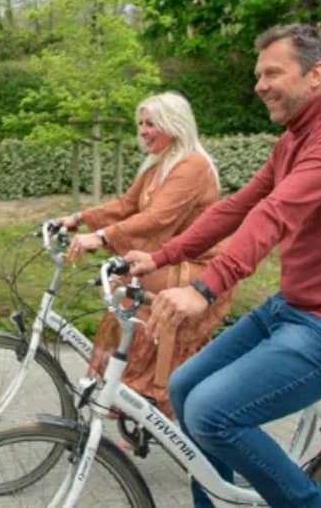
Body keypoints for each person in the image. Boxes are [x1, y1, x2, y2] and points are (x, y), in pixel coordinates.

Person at [126, 24, 321, 508]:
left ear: (315, 74)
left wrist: (205, 288)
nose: (259, 85)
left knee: (212, 413)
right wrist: (161, 256)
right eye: (258, 75)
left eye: (272, 73)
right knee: (184, 386)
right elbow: (237, 208)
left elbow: (274, 213)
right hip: (296, 308)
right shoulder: (291, 142)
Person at [59, 91, 233, 419]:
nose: (142, 131)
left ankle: (154, 396)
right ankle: (130, 398)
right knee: (124, 292)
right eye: (140, 124)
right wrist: (78, 218)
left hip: (196, 264)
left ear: (174, 124)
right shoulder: (158, 165)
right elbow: (126, 205)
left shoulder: (192, 165)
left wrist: (102, 236)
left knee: (135, 288)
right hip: (169, 257)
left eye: (151, 124)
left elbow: (158, 218)